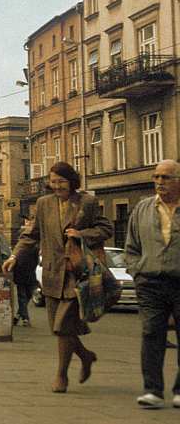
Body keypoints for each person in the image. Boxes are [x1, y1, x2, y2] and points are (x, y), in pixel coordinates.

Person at [4, 160, 111, 393]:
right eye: (53, 182)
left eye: (61, 181)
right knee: (59, 328)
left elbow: (106, 229)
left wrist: (81, 234)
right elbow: (30, 235)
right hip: (52, 274)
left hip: (76, 272)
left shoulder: (87, 202)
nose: (57, 186)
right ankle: (85, 356)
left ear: (72, 181)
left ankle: (61, 375)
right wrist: (14, 256)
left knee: (63, 326)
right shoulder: (43, 204)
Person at [124, 159, 180, 409]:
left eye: (166, 177)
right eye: (156, 177)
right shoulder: (143, 208)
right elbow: (131, 247)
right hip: (151, 283)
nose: (159, 182)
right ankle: (153, 390)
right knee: (151, 334)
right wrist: (138, 273)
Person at [13, 217, 39, 327]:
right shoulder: (21, 248)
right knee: (22, 296)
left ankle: (18, 315)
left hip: (30, 272)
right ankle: (25, 318)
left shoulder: (34, 245)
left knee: (27, 295)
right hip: (21, 272)